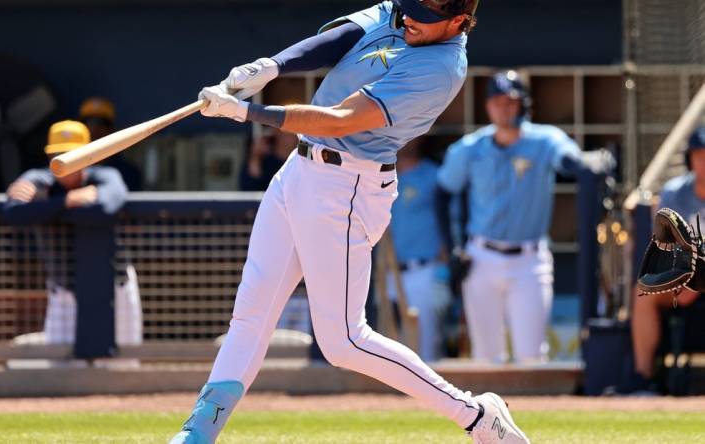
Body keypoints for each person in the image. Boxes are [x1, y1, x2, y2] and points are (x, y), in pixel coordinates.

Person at [171, 2, 531, 443]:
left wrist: (248, 113)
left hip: (347, 185)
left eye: (425, 14)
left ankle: (476, 416)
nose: (410, 18)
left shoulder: (441, 67)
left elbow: (341, 119)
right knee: (251, 310)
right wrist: (272, 65)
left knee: (343, 340)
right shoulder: (405, 11)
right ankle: (198, 434)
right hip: (298, 171)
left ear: (459, 20)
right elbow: (340, 38)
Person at [437, 70, 608, 364]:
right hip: (481, 256)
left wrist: (584, 162)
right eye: (497, 101)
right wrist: (451, 248)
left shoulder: (544, 140)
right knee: (486, 356)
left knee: (531, 354)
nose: (503, 108)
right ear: (488, 105)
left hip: (529, 259)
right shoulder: (470, 148)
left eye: (511, 101)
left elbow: (567, 160)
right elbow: (442, 192)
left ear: (524, 104)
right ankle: (490, 412)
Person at [3, 120, 129, 359]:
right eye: (59, 155)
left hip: (115, 285)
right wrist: (66, 201)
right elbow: (12, 212)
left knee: (124, 362)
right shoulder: (39, 179)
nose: (66, 161)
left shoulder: (105, 175)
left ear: (89, 154)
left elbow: (107, 205)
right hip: (63, 287)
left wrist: (44, 204)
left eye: (73, 154)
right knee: (58, 365)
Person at [630, 127, 705, 390]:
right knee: (643, 293)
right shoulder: (675, 192)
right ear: (690, 159)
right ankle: (644, 380)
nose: (704, 160)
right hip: (685, 276)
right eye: (699, 154)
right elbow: (666, 243)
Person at [388, 137, 451, 362]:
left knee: (426, 350)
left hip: (424, 269)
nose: (404, 142)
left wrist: (444, 269)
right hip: (386, 273)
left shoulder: (434, 175)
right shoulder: (377, 175)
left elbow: (451, 219)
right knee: (388, 346)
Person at [79, 97, 143, 191]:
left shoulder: (127, 171)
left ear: (111, 129)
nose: (94, 129)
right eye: (88, 122)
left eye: (101, 123)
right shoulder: (71, 170)